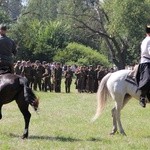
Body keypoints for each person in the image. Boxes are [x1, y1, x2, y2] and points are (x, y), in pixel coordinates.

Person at [136, 24, 150, 108]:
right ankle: (142, 97)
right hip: (146, 62)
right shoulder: (148, 40)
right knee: (147, 79)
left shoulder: (145, 39)